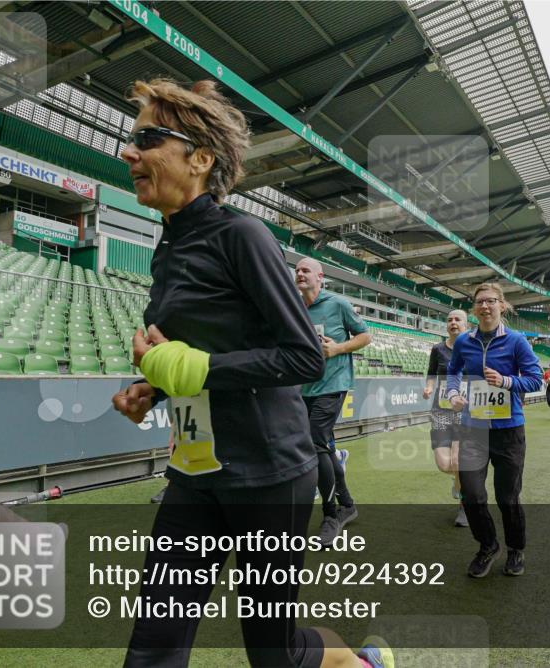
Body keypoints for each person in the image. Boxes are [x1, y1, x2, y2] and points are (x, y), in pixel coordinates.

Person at [112, 78, 392, 668]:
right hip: (195, 472)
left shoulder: (243, 235)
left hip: (268, 475)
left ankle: (361, 664)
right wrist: (154, 387)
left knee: (276, 655)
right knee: (152, 649)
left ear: (201, 158)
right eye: (130, 139)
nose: (128, 153)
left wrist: (190, 367)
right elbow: (194, 360)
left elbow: (302, 357)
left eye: (147, 139)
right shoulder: (167, 248)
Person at [445, 283, 542, 578]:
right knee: (471, 495)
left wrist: (506, 381)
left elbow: (536, 379)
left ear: (502, 305)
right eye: (479, 303)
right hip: (474, 428)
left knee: (507, 498)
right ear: (474, 309)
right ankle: (487, 546)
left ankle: (515, 549)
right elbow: (453, 371)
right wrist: (452, 395)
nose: (485, 307)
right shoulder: (464, 342)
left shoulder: (516, 341)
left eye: (490, 301)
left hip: (509, 430)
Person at [295, 257, 371, 547]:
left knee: (315, 443)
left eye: (306, 270)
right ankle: (348, 504)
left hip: (333, 385)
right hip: (302, 389)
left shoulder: (337, 304)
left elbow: (365, 336)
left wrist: (338, 348)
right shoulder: (294, 306)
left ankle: (331, 515)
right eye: (297, 270)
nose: (300, 274)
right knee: (322, 446)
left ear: (320, 276)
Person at [422, 309, 469, 527]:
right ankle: (460, 481)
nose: (453, 323)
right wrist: (429, 387)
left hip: (465, 412)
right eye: (449, 320)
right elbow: (432, 373)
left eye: (457, 319)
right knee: (444, 464)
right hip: (441, 411)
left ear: (466, 325)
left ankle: (464, 506)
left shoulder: (474, 348)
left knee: (459, 460)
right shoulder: (438, 349)